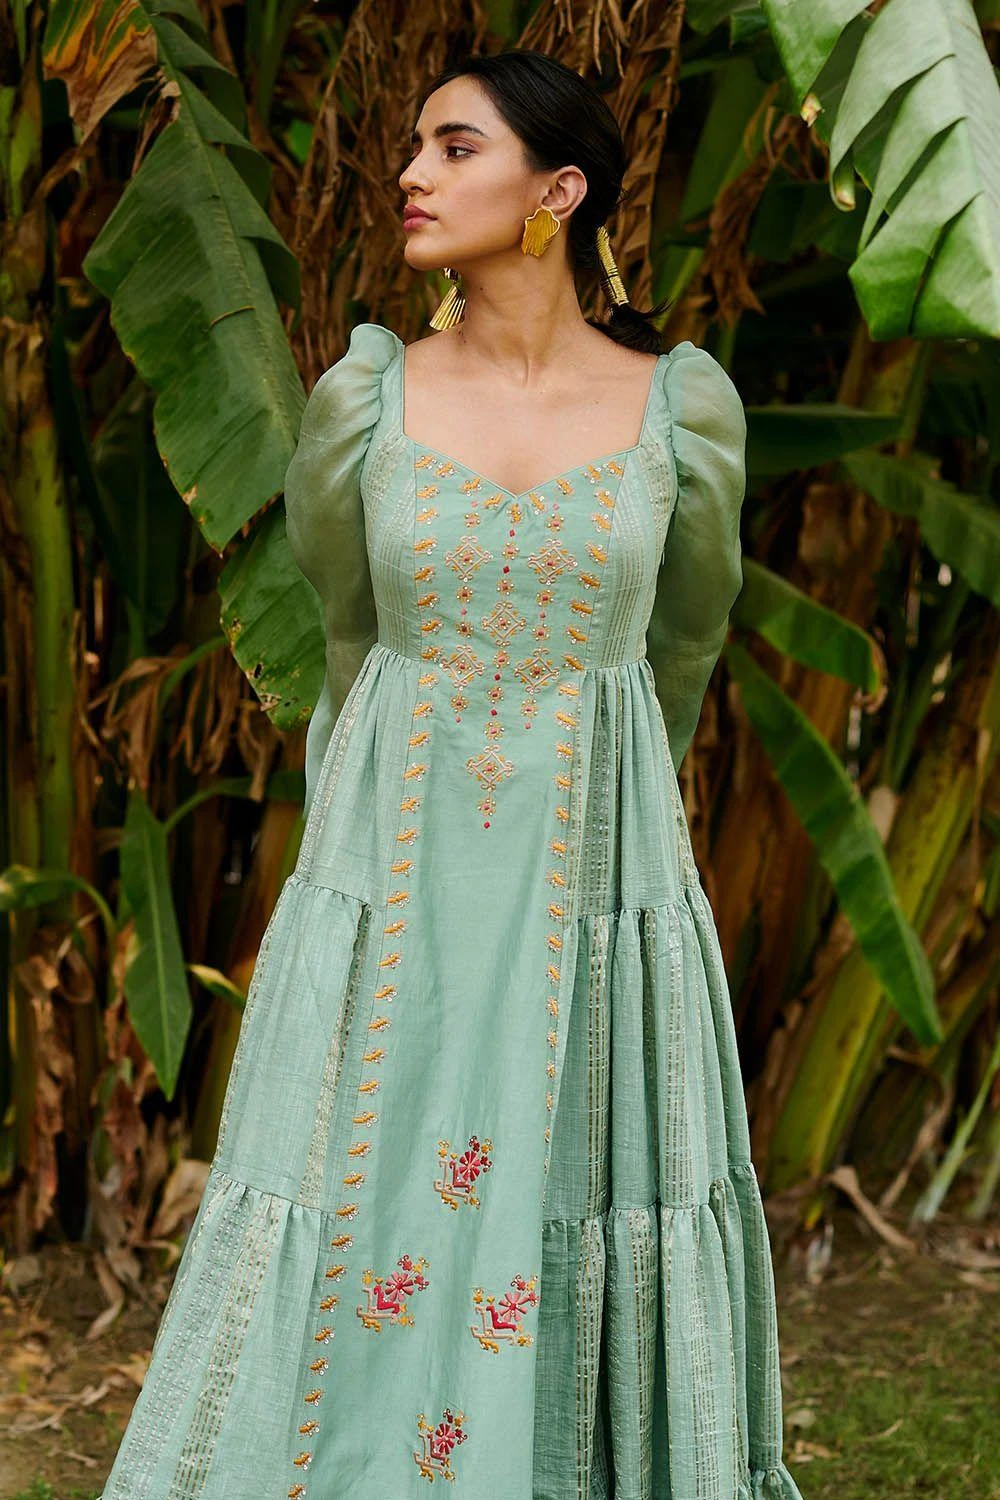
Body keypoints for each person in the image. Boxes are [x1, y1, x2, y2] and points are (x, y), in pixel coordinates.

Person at [99, 47, 804, 1500]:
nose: (411, 174)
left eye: (455, 147)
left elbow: (682, 646)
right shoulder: (369, 400)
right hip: (397, 863)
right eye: (417, 146)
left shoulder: (682, 408)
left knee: (578, 1177)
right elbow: (351, 639)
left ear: (559, 191)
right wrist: (363, 866)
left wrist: (612, 853)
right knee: (359, 1167)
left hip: (595, 876)